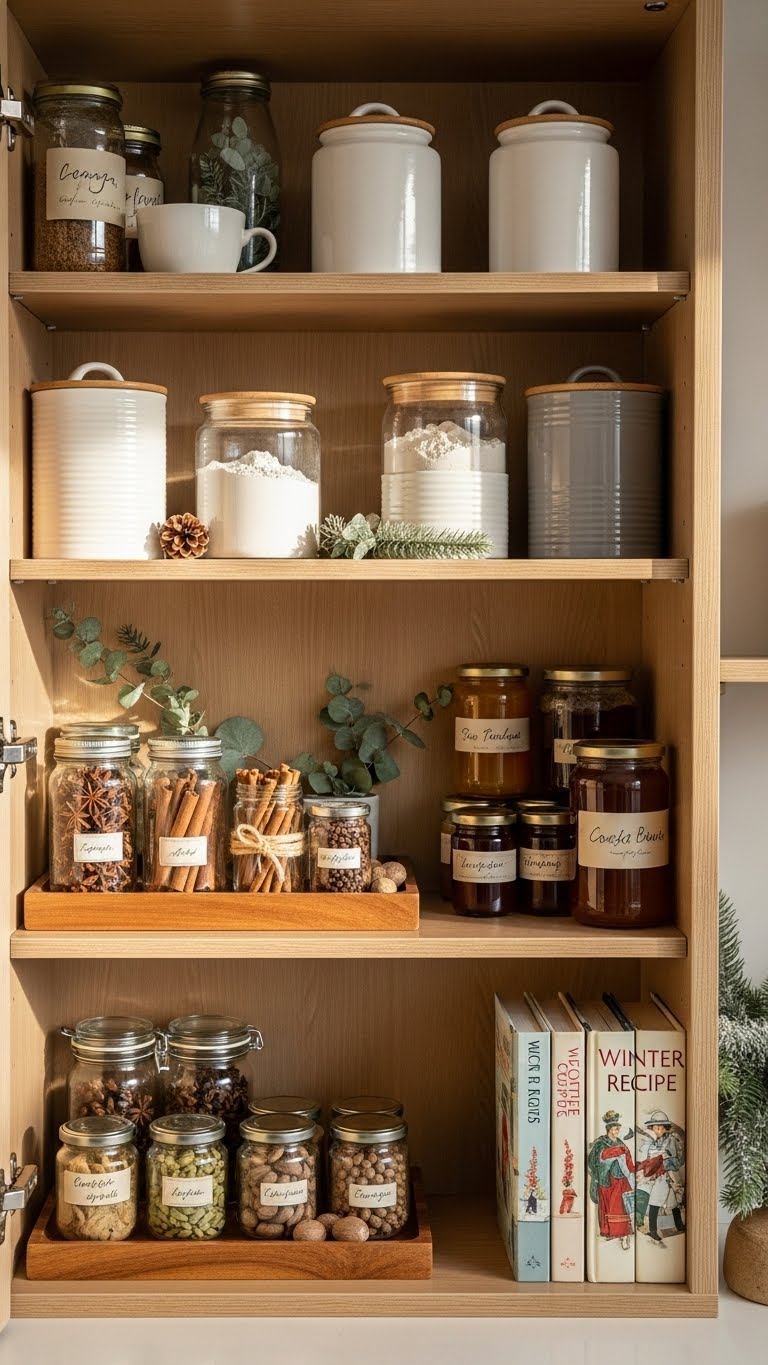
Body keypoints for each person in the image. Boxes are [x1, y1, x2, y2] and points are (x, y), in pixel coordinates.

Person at [587, 1109, 636, 1251]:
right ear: (609, 1129)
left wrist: (631, 1168)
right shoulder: (601, 1143)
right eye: (615, 1129)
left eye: (618, 1129)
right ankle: (609, 1231)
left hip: (619, 1179)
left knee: (620, 1207)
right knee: (606, 1206)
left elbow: (628, 1159)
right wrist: (607, 1157)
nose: (617, 1131)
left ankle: (623, 1234)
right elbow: (592, 1161)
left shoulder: (620, 1142)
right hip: (606, 1180)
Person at [636, 1109, 686, 1245]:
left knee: (655, 1202)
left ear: (665, 1128)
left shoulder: (671, 1141)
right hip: (659, 1177)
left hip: (666, 1176)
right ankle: (679, 1226)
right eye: (654, 1128)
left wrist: (662, 1161)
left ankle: (653, 1230)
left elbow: (676, 1161)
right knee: (673, 1203)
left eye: (659, 1127)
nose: (656, 1130)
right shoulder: (655, 1142)